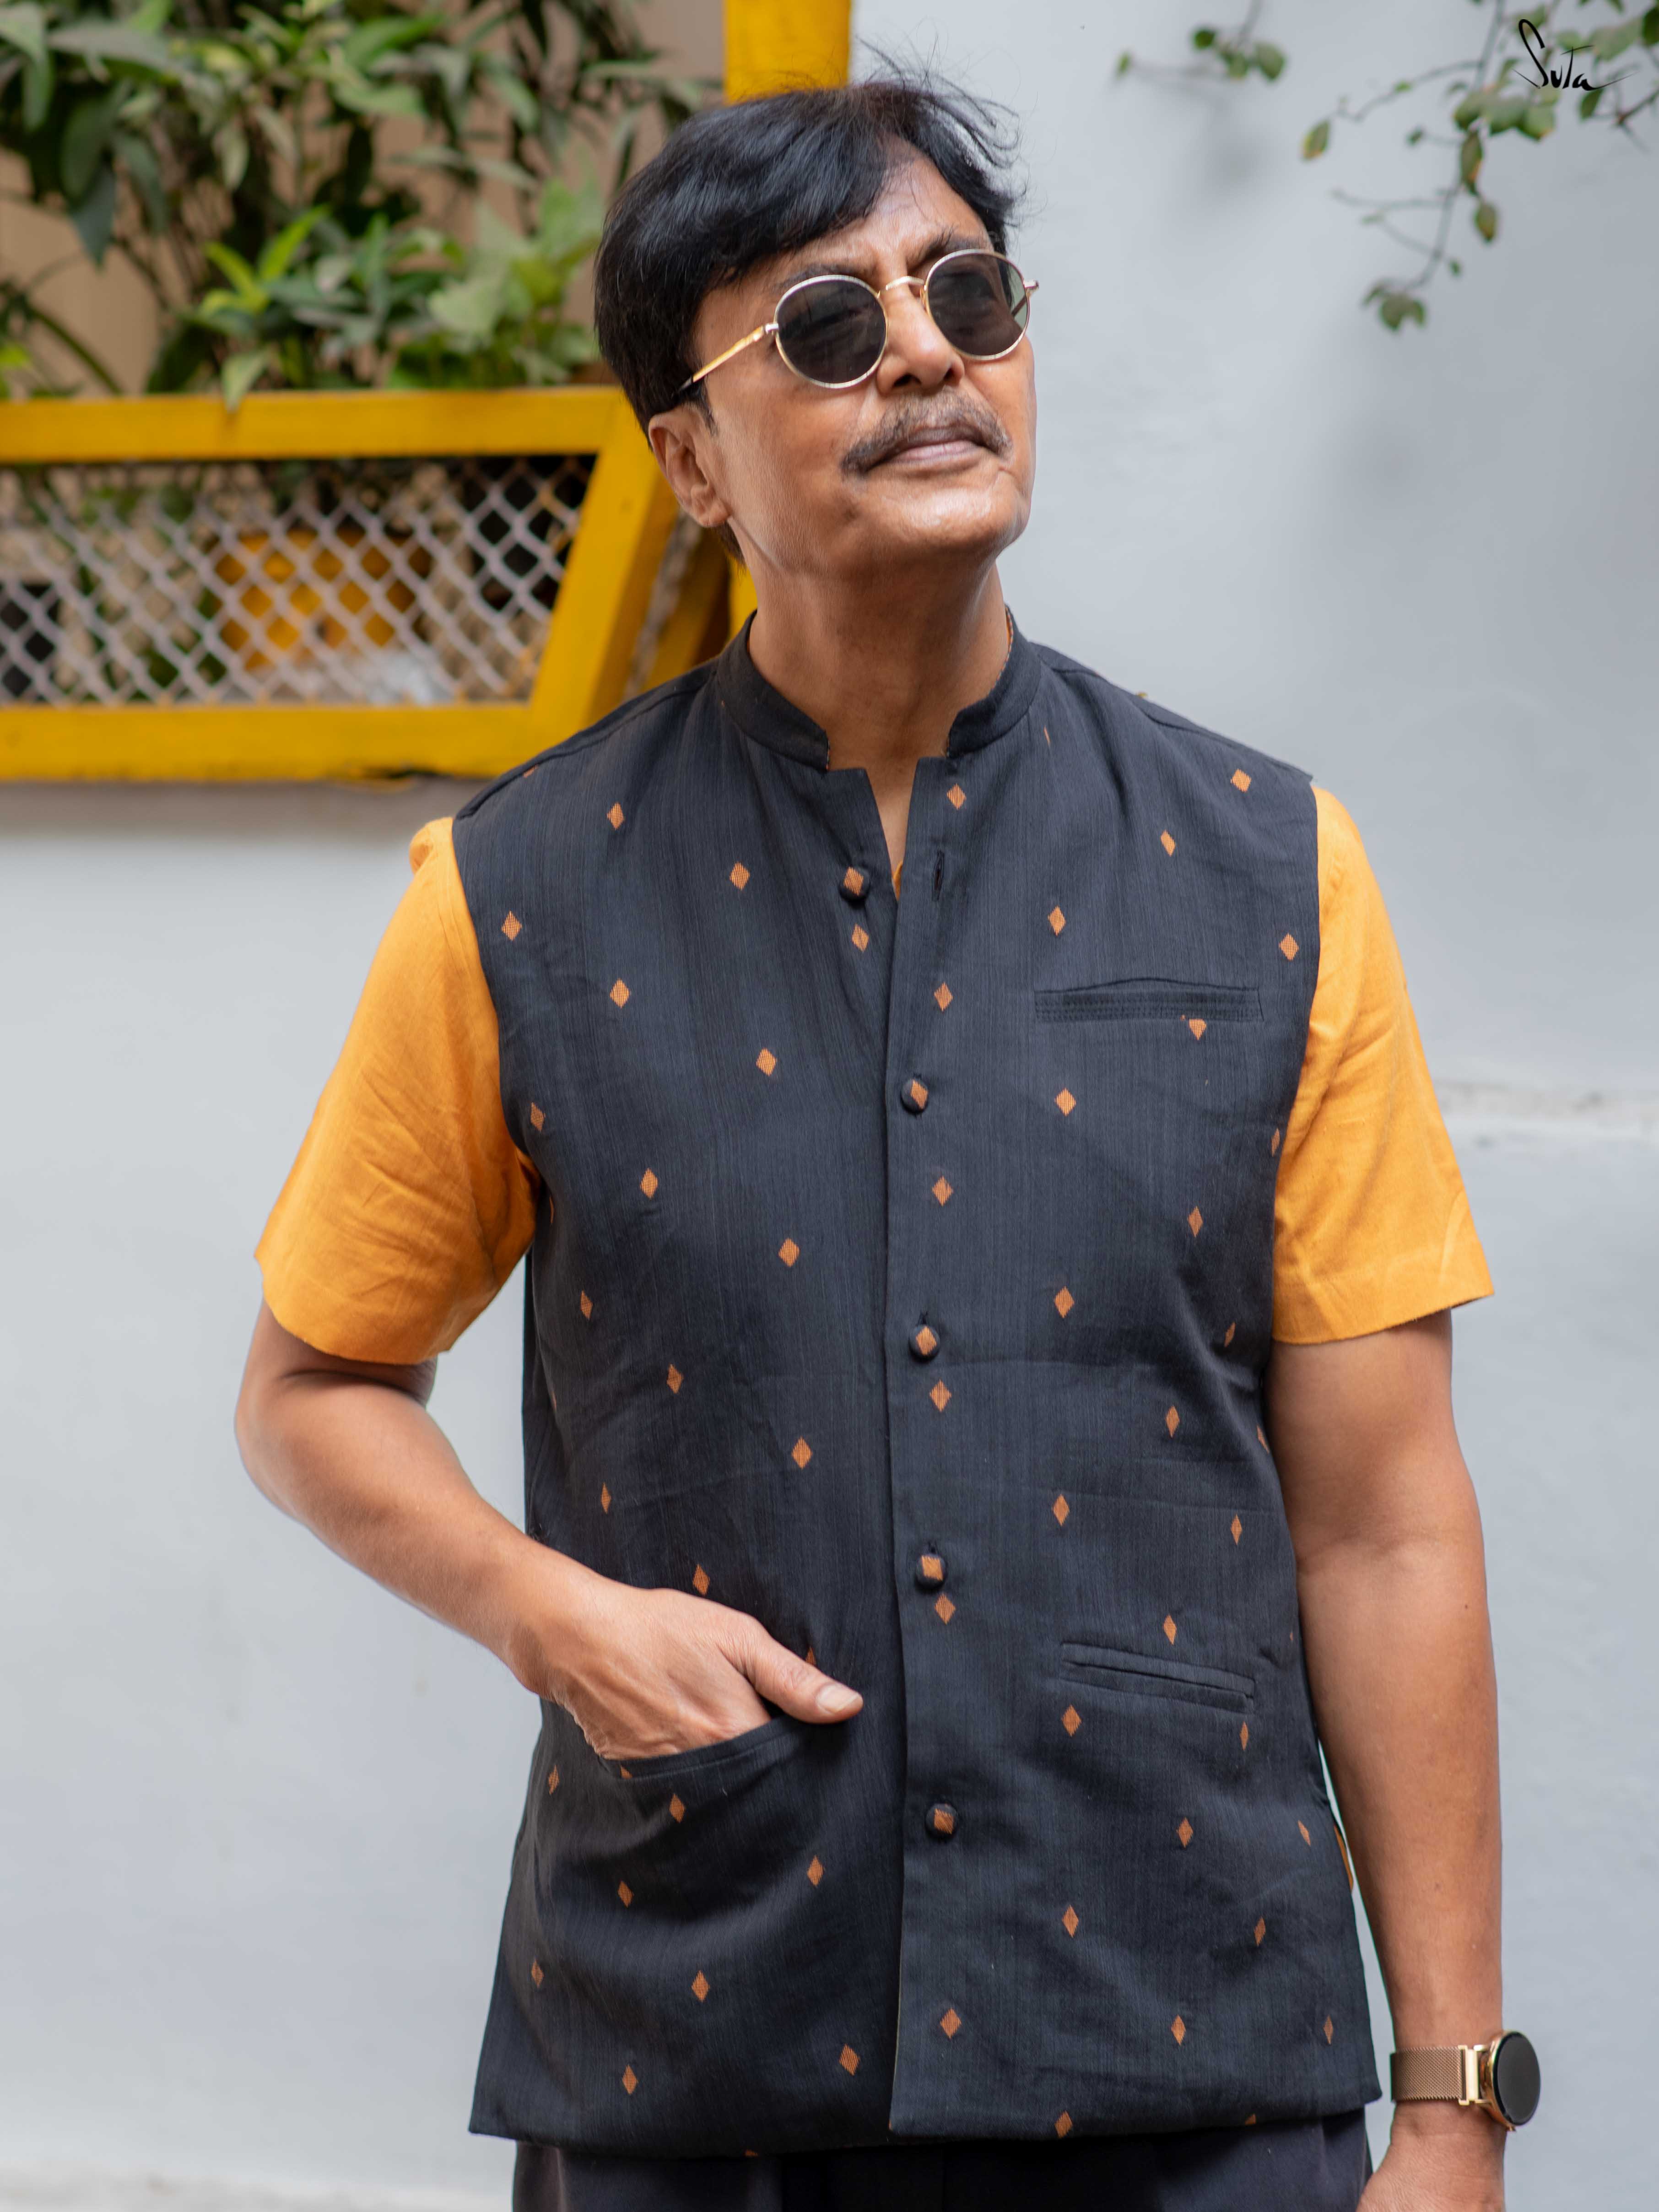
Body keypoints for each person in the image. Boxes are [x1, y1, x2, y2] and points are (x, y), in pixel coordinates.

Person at [236, 70, 1529, 2212]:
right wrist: (552, 1616)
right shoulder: (514, 897)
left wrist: (1453, 2103)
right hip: (696, 2057)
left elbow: (1386, 1526)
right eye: (828, 325)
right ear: (692, 460)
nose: (925, 351)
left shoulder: (1271, 870)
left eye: (968, 294)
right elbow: (311, 1391)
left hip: (1190, 2067)